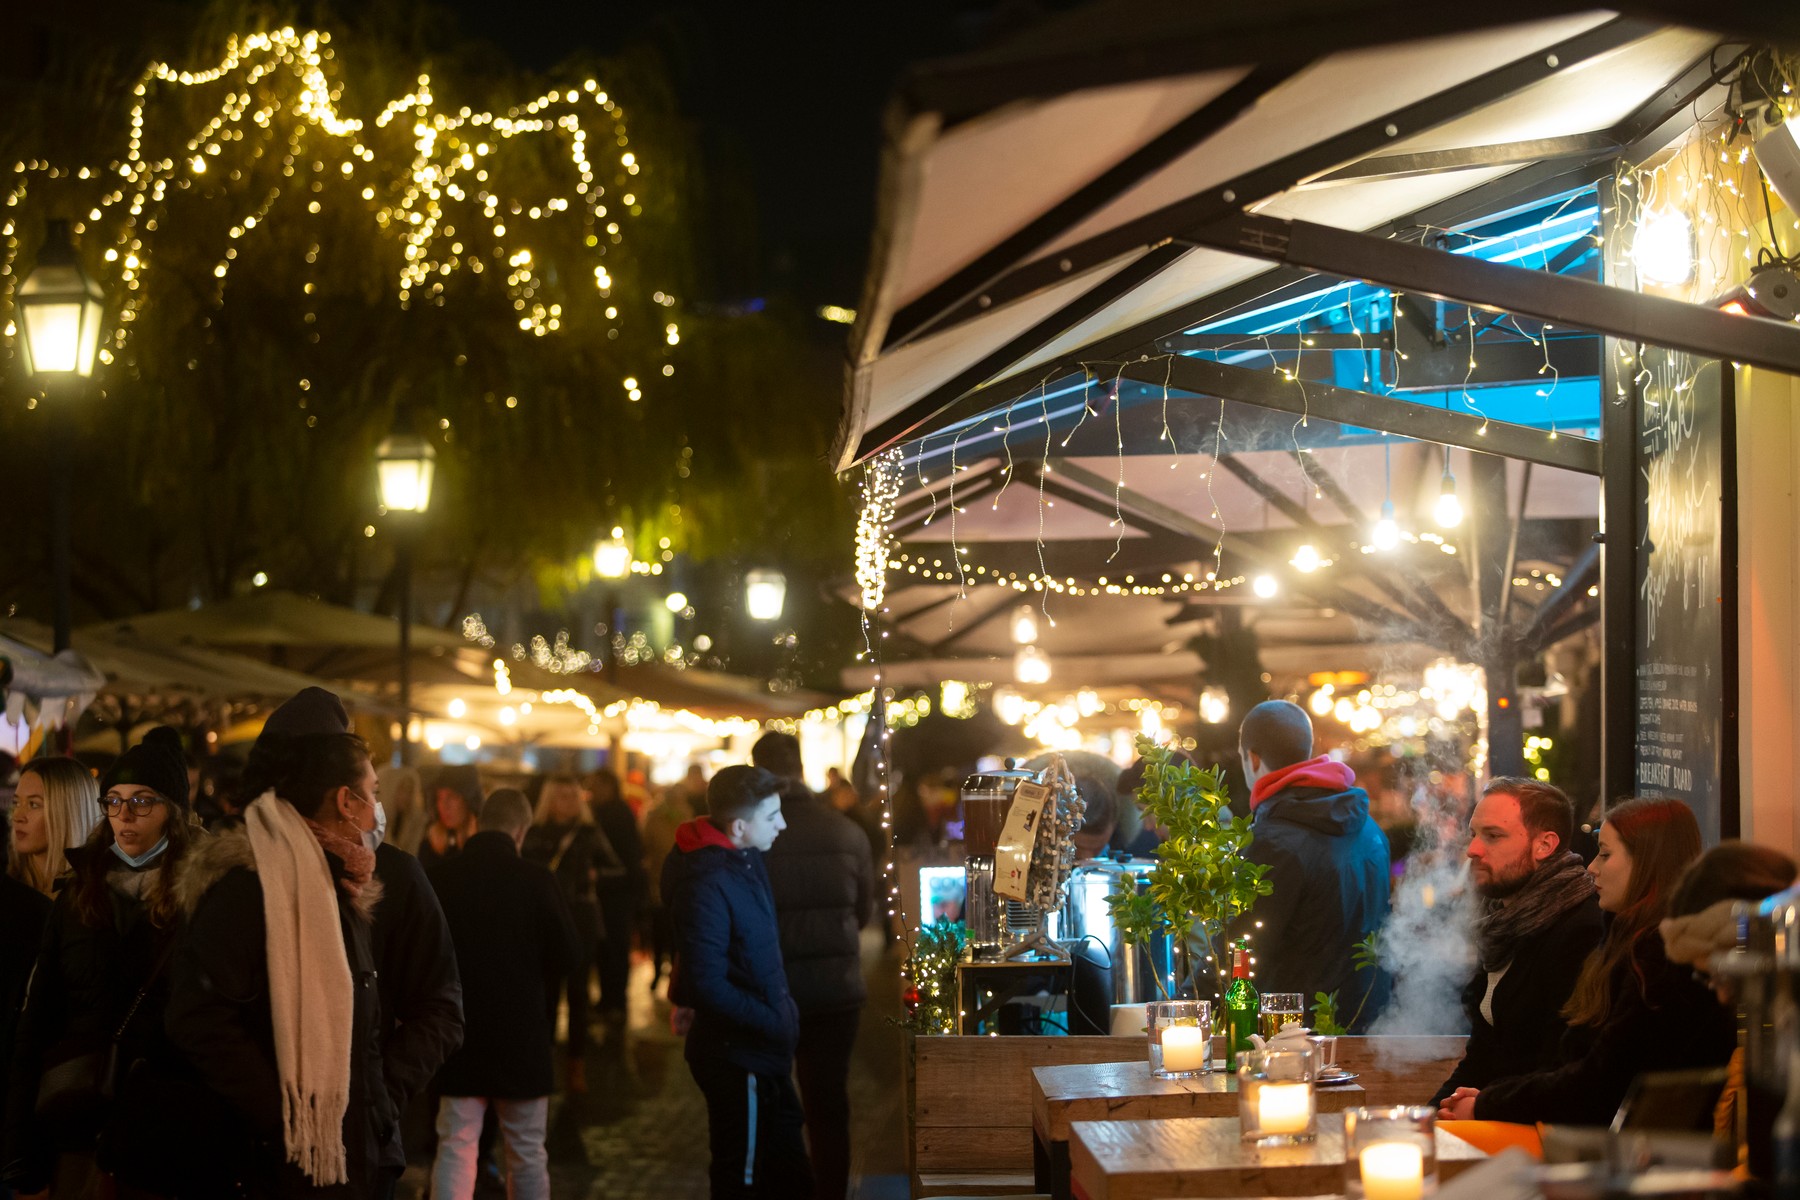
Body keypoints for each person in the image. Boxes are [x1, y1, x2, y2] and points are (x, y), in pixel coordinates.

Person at [167, 687, 397, 1197]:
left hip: (343, 1156)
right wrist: (285, 1116)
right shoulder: (250, 886)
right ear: (345, 800)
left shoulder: (338, 883)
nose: (378, 808)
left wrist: (377, 1114)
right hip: (274, 1166)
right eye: (374, 793)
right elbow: (197, 1017)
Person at [1439, 797, 1736, 1126]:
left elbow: (1596, 1084)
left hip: (1638, 1158)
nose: (1592, 866)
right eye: (1474, 834)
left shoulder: (1657, 957)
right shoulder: (1624, 939)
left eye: (1606, 854)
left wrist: (1487, 1105)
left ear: (1648, 862)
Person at [3, 727, 194, 1200]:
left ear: (174, 812)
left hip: (167, 1138)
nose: (125, 815)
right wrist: (19, 1156)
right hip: (78, 1128)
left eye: (143, 801)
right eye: (113, 800)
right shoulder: (77, 894)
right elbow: (37, 1022)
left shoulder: (203, 897)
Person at [666, 764, 812, 1198]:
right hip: (738, 1056)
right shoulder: (707, 881)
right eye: (773, 817)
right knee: (741, 1177)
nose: (783, 825)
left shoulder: (744, 860)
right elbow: (706, 980)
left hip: (762, 1050)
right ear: (739, 826)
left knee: (790, 1172)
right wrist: (771, 1018)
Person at [427, 788, 577, 1200]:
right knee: (527, 1151)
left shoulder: (441, 878)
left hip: (459, 1033)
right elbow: (568, 955)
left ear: (479, 823)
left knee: (456, 1146)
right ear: (521, 830)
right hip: (521, 1035)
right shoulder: (537, 880)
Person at [1429, 779, 1605, 1105]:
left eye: (1493, 836)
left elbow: (1565, 1071)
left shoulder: (1579, 930)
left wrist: (1482, 1108)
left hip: (1540, 1134)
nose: (1473, 850)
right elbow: (1481, 1057)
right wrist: (1424, 1121)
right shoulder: (1502, 923)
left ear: (1544, 845)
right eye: (1474, 834)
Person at [753, 733, 874, 1200]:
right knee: (828, 1108)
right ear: (800, 767)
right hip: (835, 992)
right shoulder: (846, 831)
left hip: (770, 991)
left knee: (772, 1105)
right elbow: (863, 914)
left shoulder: (755, 834)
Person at [1227, 701, 1390, 1028]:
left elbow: (1243, 952)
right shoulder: (1368, 827)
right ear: (1310, 748)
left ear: (1253, 758)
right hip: (1368, 1021)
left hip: (1293, 1035)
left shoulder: (1272, 841)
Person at [522, 774, 623, 1091]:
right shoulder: (536, 834)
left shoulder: (588, 833)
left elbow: (617, 868)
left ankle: (575, 1066)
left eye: (573, 795)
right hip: (547, 919)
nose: (568, 801)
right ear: (549, 799)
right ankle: (545, 1062)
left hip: (581, 917)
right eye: (561, 795)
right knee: (546, 995)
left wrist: (595, 875)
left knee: (579, 994)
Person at [586, 769, 643, 1022]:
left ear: (608, 787)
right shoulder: (614, 812)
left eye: (596, 786)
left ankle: (615, 1002)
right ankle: (611, 1001)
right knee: (609, 948)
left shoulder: (615, 815)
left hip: (616, 893)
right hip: (615, 892)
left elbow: (627, 858)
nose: (592, 792)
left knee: (614, 948)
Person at [9, 756, 104, 896]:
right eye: (16, 803)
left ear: (68, 812)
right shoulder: (7, 888)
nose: (17, 816)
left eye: (33, 804)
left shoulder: (98, 896)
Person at [642, 778, 701, 993]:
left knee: (662, 931)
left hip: (661, 881)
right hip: (681, 883)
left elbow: (646, 844)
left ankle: (660, 975)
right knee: (674, 934)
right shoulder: (687, 816)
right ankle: (671, 976)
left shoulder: (655, 816)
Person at [418, 765, 483, 872]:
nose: (444, 805)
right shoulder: (429, 843)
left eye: (452, 796)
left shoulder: (486, 842)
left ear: (469, 800)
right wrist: (436, 852)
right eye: (439, 797)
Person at [375, 765, 428, 856]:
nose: (406, 796)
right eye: (402, 789)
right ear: (388, 789)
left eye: (410, 790)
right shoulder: (373, 820)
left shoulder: (414, 820)